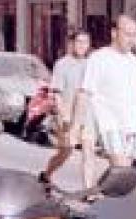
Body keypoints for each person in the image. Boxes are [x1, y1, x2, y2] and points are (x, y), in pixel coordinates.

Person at [80, 14, 136, 187]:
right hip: (110, 122)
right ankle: (98, 192)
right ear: (114, 33)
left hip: (131, 124)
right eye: (127, 34)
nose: (131, 39)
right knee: (121, 169)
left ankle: (99, 192)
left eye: (134, 34)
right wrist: (78, 124)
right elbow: (85, 91)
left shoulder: (134, 60)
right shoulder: (99, 57)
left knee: (123, 174)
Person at [39, 30, 94, 184]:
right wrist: (64, 116)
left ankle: (88, 190)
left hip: (87, 116)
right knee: (65, 153)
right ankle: (46, 174)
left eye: (85, 42)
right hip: (68, 116)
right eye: (79, 42)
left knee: (88, 151)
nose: (82, 45)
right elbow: (57, 93)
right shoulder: (62, 64)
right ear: (72, 44)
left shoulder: (91, 65)